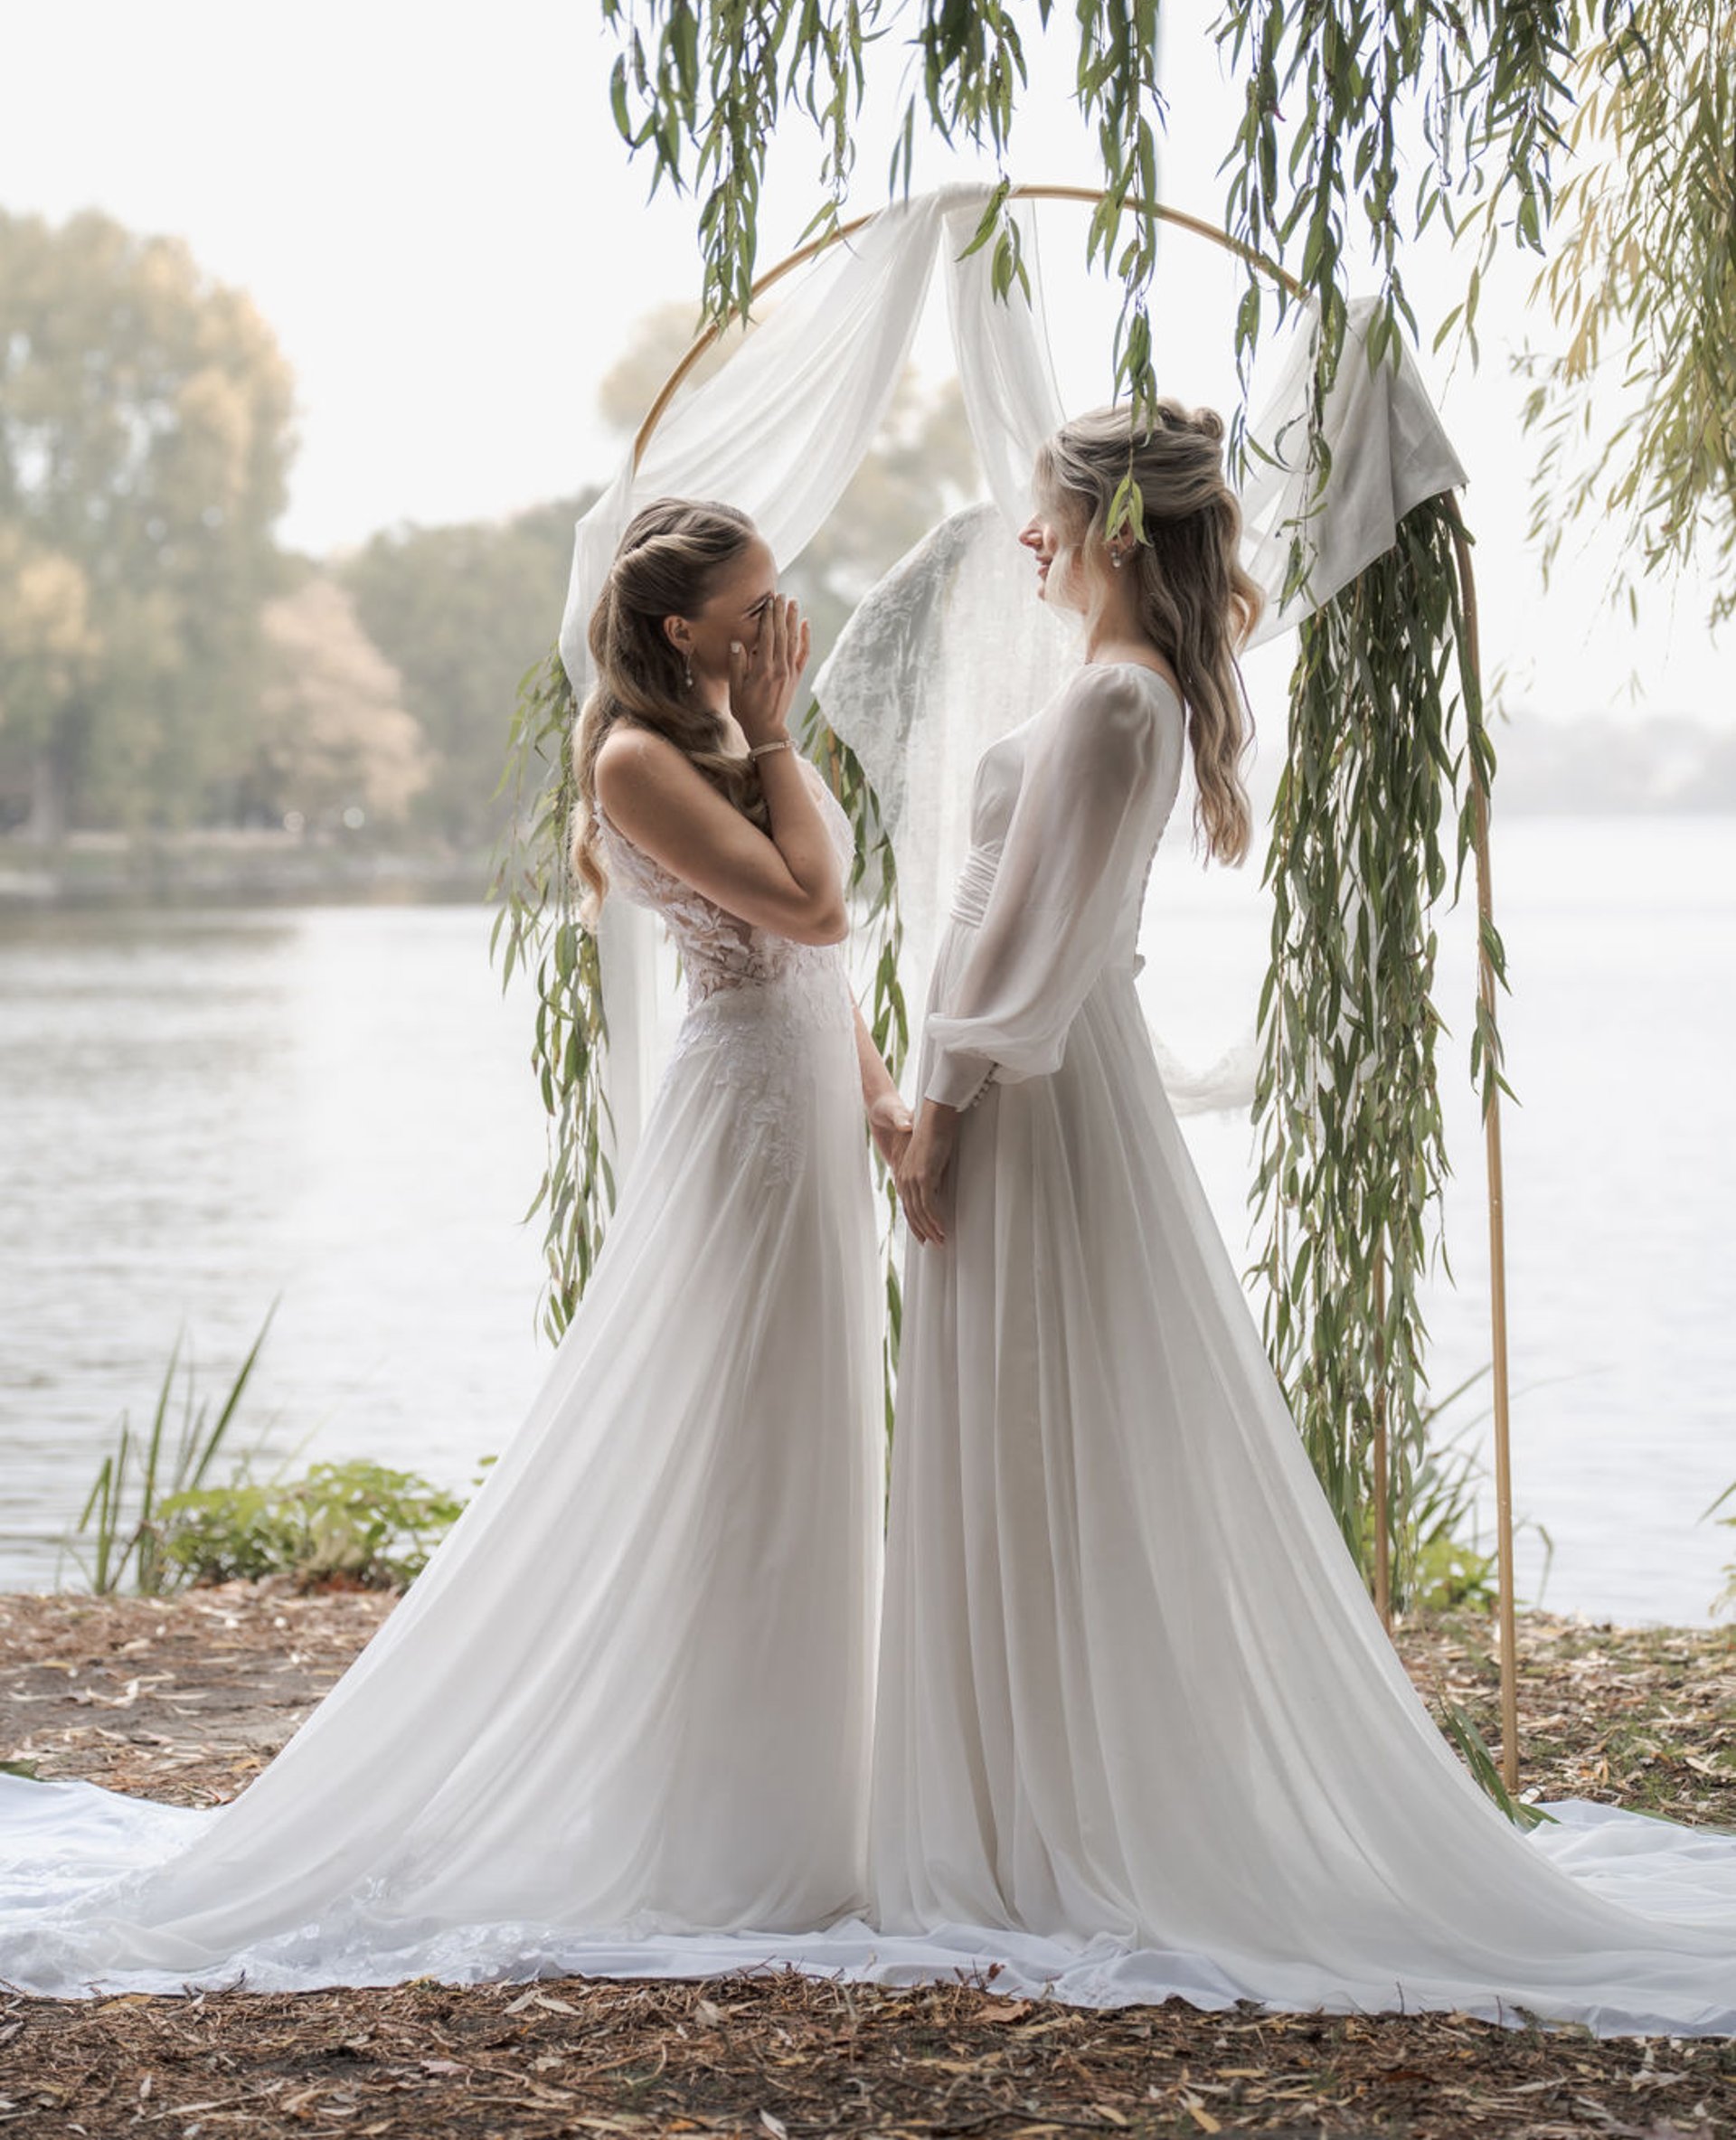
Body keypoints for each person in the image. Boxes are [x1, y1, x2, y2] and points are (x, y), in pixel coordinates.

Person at [874, 403, 1736, 2031]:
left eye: (1048, 512)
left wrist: (942, 1113)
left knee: (1043, 1428)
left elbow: (1029, 954)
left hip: (1034, 1115)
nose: (1026, 539)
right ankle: (1019, 1789)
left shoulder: (1117, 704)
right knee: (1023, 1432)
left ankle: (1063, 1813)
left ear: (1115, 524)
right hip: (1035, 1097)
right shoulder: (1121, 692)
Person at [0, 497, 906, 1994]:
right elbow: (812, 906)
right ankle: (728, 1817)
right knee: (742, 1439)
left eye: (774, 601)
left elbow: (828, 969)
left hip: (808, 1107)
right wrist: (784, 731)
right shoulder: (633, 759)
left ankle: (820, 1792)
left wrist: (875, 1099)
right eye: (750, 608)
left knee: (810, 1431)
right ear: (680, 632)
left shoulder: (725, 740)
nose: (774, 627)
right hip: (745, 1125)